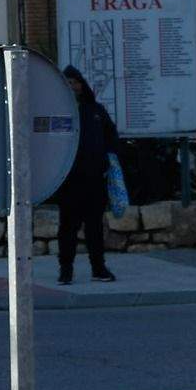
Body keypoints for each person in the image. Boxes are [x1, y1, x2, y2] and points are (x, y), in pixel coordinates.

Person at [55, 66, 120, 285]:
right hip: (69, 183)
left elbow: (112, 137)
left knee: (94, 228)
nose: (73, 86)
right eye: (68, 83)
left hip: (94, 182)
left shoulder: (96, 111)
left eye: (75, 82)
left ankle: (98, 268)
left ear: (82, 85)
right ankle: (66, 270)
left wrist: (105, 162)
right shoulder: (57, 111)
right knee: (68, 230)